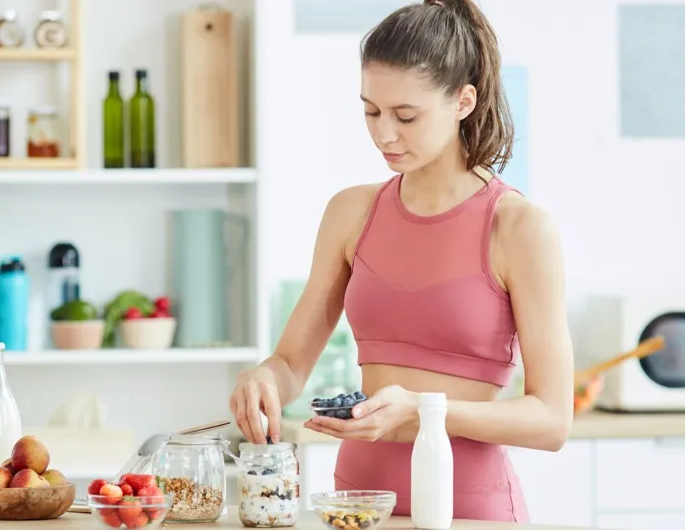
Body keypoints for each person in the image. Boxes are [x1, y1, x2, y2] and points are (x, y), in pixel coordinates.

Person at [229, 0, 574, 522]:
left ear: (463, 101)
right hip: (356, 504)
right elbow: (291, 364)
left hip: (469, 510)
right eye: (371, 111)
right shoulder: (352, 212)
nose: (384, 134)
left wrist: (425, 412)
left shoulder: (520, 228)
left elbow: (551, 420)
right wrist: (264, 380)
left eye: (406, 116)